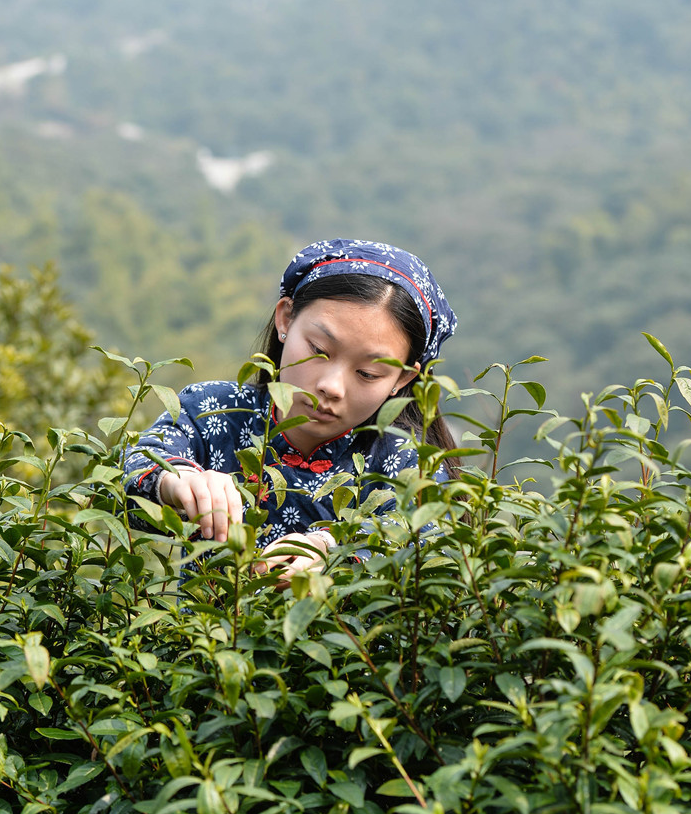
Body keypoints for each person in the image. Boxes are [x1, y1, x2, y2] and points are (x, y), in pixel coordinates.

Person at [123, 238, 458, 584]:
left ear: (401, 380)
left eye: (367, 374)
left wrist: (330, 549)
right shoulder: (214, 412)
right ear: (285, 319)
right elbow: (133, 470)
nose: (332, 386)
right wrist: (177, 482)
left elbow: (428, 544)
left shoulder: (406, 459)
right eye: (319, 350)